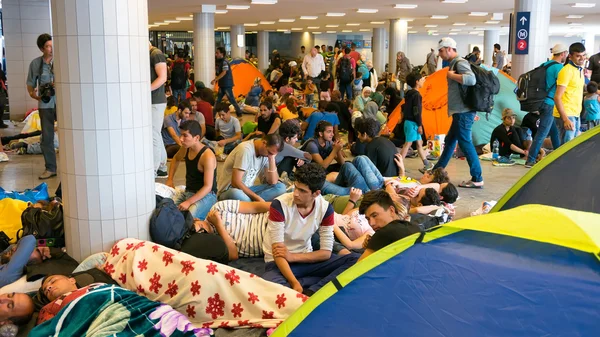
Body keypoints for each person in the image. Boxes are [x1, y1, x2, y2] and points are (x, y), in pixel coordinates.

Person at [262, 163, 359, 295]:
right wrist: (294, 283)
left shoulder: (325, 209)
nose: (295, 193)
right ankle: (309, 285)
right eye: (296, 187)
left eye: (302, 191)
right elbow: (278, 254)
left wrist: (292, 257)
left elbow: (325, 253)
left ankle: (312, 291)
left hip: (305, 258)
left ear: (316, 193)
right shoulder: (279, 205)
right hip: (278, 264)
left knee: (354, 260)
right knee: (270, 288)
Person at [433, 37, 483, 188]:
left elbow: (471, 79)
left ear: (449, 49)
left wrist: (451, 75)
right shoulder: (455, 63)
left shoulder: (460, 62)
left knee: (465, 143)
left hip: (463, 112)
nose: (440, 54)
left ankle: (477, 177)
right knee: (449, 141)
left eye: (441, 51)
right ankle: (436, 172)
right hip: (460, 112)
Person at [525, 44, 568, 168]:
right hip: (549, 103)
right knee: (542, 133)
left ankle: (558, 155)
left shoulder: (545, 65)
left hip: (541, 102)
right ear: (563, 54)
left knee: (553, 130)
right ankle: (531, 159)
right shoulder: (559, 68)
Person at [165, 120, 217, 220]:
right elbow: (176, 159)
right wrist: (170, 179)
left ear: (196, 138)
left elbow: (208, 187)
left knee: (188, 218)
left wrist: (188, 202)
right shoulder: (186, 147)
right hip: (189, 192)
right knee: (167, 212)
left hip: (207, 195)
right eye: (180, 135)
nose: (181, 139)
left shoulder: (207, 156)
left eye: (185, 136)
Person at [217, 134, 287, 201]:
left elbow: (273, 182)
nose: (269, 155)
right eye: (269, 153)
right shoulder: (245, 149)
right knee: (237, 194)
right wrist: (257, 198)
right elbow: (235, 182)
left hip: (248, 190)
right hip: (230, 191)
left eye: (272, 154)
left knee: (281, 187)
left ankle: (251, 204)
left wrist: (272, 159)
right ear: (264, 143)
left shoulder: (267, 154)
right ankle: (254, 204)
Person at [357, 190, 421, 262]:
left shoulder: (384, 233)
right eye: (368, 219)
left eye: (374, 215)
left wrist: (375, 241)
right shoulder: (414, 227)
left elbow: (356, 270)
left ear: (391, 210)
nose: (371, 223)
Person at [26, 33, 57, 180]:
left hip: (63, 104)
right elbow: (30, 84)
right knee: (47, 138)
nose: (51, 49)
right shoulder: (36, 64)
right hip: (46, 104)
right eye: (47, 46)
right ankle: (50, 168)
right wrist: (35, 95)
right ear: (41, 48)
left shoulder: (61, 61)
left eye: (52, 45)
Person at [554, 42, 587, 144]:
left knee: (573, 146)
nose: (581, 58)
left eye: (583, 55)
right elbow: (557, 97)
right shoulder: (566, 71)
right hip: (567, 114)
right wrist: (565, 119)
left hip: (576, 113)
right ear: (570, 56)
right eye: (578, 56)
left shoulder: (579, 70)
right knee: (566, 148)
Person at [399, 72, 432, 172]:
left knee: (419, 144)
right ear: (417, 82)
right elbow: (416, 111)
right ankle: (398, 164)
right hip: (413, 123)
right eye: (422, 80)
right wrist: (419, 125)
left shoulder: (409, 93)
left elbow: (404, 107)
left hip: (408, 122)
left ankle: (426, 164)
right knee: (407, 144)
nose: (423, 81)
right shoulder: (417, 95)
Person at [149, 42, 169, 178]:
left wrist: (146, 90)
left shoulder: (156, 54)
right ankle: (162, 167)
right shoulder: (152, 54)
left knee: (153, 135)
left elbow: (163, 78)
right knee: (156, 134)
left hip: (156, 101)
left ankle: (154, 170)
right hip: (154, 101)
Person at [212, 46, 242, 117]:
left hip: (226, 84)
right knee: (218, 100)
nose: (216, 54)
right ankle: (212, 115)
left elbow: (224, 72)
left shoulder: (224, 62)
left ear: (222, 54)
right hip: (223, 84)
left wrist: (215, 79)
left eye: (217, 53)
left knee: (231, 99)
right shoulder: (222, 62)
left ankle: (239, 112)